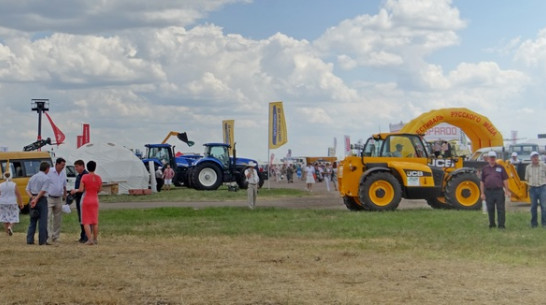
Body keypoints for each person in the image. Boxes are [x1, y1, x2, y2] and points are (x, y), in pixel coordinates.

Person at [480, 151, 511, 229]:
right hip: (489, 191)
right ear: (488, 159)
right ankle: (492, 224)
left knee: (501, 209)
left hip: (499, 191)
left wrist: (507, 190)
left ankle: (501, 226)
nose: (492, 159)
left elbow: (505, 180)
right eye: (491, 157)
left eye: (493, 157)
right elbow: (482, 181)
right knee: (490, 209)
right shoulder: (484, 169)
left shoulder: (500, 167)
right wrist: (482, 193)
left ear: (495, 158)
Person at [26, 162, 51, 245]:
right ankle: (42, 240)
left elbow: (27, 189)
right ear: (47, 169)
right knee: (42, 220)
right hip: (41, 199)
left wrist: (32, 198)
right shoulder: (46, 178)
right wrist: (36, 199)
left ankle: (30, 239)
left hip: (32, 197)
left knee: (33, 219)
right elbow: (43, 190)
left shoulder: (33, 177)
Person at [78, 161, 102, 245]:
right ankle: (95, 239)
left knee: (86, 221)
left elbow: (81, 189)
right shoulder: (98, 178)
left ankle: (90, 239)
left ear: (87, 167)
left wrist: (75, 190)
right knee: (94, 221)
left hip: (86, 199)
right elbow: (99, 189)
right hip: (95, 199)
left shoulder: (84, 177)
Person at [46, 157, 67, 244]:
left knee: (57, 218)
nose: (63, 167)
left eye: (64, 165)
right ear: (57, 164)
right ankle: (48, 236)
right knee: (48, 217)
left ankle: (56, 236)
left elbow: (64, 185)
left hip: (58, 198)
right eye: (62, 165)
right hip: (49, 197)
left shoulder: (63, 173)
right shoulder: (49, 172)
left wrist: (65, 195)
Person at [525, 151, 546, 228]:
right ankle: (534, 224)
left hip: (542, 188)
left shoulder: (543, 166)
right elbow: (526, 178)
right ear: (531, 158)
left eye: (536, 156)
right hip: (532, 189)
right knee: (533, 206)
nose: (535, 158)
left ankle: (544, 224)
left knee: (544, 206)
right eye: (534, 157)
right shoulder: (528, 167)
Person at [70, 160, 88, 243]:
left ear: (82, 166)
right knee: (80, 218)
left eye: (77, 166)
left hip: (83, 198)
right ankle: (83, 235)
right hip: (78, 198)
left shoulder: (85, 175)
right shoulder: (79, 176)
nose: (76, 168)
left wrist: (76, 190)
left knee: (84, 218)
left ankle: (86, 236)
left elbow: (83, 188)